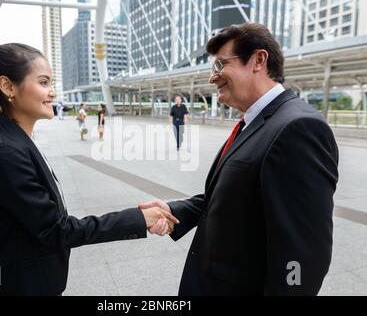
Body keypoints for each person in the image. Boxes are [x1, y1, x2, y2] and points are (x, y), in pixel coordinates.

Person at [0, 43, 179, 296]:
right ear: (8, 87)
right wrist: (138, 219)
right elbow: (57, 229)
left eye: (51, 83)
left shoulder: (17, 142)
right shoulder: (6, 151)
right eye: (43, 83)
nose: (52, 93)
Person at [140, 23, 339, 295]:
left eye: (220, 65)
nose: (213, 77)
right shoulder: (254, 121)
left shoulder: (297, 128)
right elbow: (237, 196)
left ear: (258, 60)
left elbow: (303, 254)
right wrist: (176, 211)